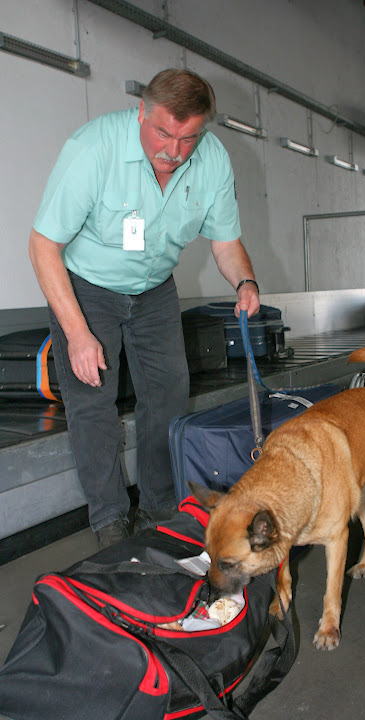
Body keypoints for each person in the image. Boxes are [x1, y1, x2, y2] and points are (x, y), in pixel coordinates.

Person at [29, 68, 260, 549]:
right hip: (87, 284)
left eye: (187, 138)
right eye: (162, 133)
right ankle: (110, 520)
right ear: (141, 113)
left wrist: (244, 280)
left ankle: (159, 508)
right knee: (92, 398)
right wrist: (77, 333)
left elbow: (226, 242)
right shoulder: (93, 150)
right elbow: (42, 244)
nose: (173, 151)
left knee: (169, 393)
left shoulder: (213, 160)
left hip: (154, 287)